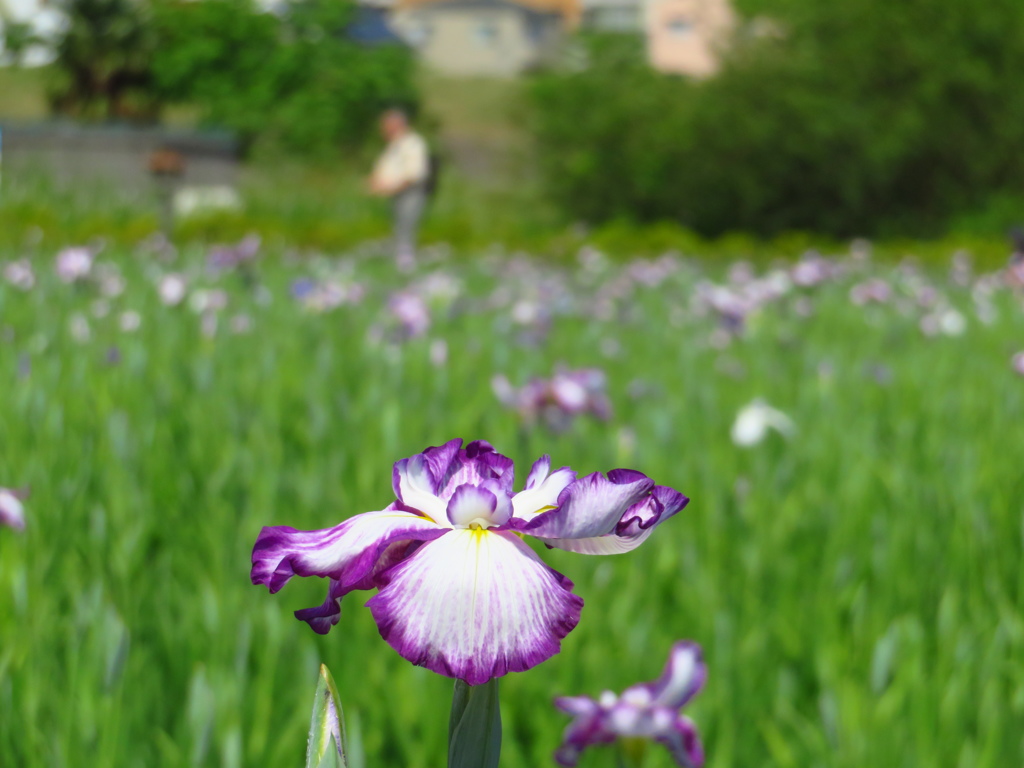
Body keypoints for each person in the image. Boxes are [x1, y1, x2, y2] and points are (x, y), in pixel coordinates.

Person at [368, 108, 430, 270]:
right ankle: (400, 264)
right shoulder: (395, 145)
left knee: (406, 229)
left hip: (410, 193)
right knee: (398, 229)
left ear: (396, 125)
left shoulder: (412, 143)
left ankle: (406, 266)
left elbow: (413, 174)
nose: (382, 129)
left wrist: (390, 188)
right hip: (398, 194)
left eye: (386, 125)